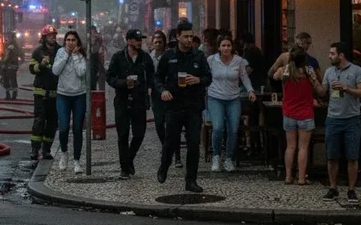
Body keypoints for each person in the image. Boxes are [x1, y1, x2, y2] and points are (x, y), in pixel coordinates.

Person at [156, 21, 212, 193]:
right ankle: (164, 166)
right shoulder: (168, 56)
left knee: (193, 143)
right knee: (171, 141)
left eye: (191, 36)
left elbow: (208, 77)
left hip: (193, 106)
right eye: (186, 36)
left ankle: (191, 180)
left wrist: (198, 80)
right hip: (174, 105)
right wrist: (163, 91)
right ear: (178, 36)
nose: (189, 40)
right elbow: (157, 78)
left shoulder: (199, 56)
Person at [316, 42, 361, 203]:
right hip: (333, 118)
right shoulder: (329, 71)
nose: (329, 56)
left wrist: (346, 88)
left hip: (352, 118)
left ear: (341, 55)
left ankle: (351, 190)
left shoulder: (357, 71)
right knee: (332, 156)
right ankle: (333, 188)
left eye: (332, 53)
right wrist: (312, 80)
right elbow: (323, 91)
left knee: (352, 156)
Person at [106, 29, 155, 179]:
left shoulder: (145, 58)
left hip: (139, 100)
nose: (140, 42)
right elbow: (109, 77)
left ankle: (129, 159)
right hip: (122, 100)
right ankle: (124, 169)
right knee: (123, 134)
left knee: (139, 134)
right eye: (136, 39)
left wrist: (149, 88)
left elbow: (152, 76)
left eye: (140, 39)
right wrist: (122, 83)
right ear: (129, 41)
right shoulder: (118, 57)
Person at [273, 47, 323, 185]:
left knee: (290, 147)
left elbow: (274, 76)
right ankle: (301, 178)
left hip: (289, 112)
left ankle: (288, 177)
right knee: (303, 147)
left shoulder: (284, 70)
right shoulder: (309, 71)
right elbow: (320, 90)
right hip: (306, 113)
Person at [206, 35, 256, 172]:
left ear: (232, 47)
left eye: (228, 45)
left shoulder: (238, 61)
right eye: (223, 45)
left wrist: (250, 90)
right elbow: (205, 76)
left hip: (233, 98)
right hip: (215, 97)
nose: (226, 48)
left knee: (233, 129)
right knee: (218, 127)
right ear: (219, 47)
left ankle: (229, 158)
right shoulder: (211, 60)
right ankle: (216, 156)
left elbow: (244, 77)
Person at [52, 30, 88, 174]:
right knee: (64, 127)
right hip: (63, 95)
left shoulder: (81, 55)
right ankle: (64, 153)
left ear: (77, 42)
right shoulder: (60, 52)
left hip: (79, 95)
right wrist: (66, 55)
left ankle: (76, 161)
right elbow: (55, 71)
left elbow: (81, 72)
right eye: (68, 40)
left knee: (78, 128)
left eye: (73, 40)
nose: (70, 43)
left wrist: (74, 55)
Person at [29, 24, 60, 160]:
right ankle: (35, 150)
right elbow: (32, 69)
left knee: (52, 122)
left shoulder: (60, 51)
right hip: (40, 93)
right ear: (44, 37)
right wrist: (40, 66)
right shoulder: (37, 52)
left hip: (55, 93)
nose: (52, 37)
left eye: (54, 35)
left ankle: (46, 150)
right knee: (39, 121)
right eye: (50, 35)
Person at [1, 31, 24, 100]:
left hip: (12, 65)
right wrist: (2, 64)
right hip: (5, 65)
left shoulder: (16, 45)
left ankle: (14, 95)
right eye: (7, 37)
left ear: (13, 38)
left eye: (9, 37)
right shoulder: (5, 45)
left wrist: (13, 49)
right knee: (5, 79)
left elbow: (20, 54)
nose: (8, 38)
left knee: (13, 80)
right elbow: (3, 55)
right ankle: (7, 94)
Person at [89, 26, 106, 90]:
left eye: (93, 32)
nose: (93, 34)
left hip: (97, 62)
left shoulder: (99, 40)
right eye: (91, 32)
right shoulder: (89, 44)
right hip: (92, 63)